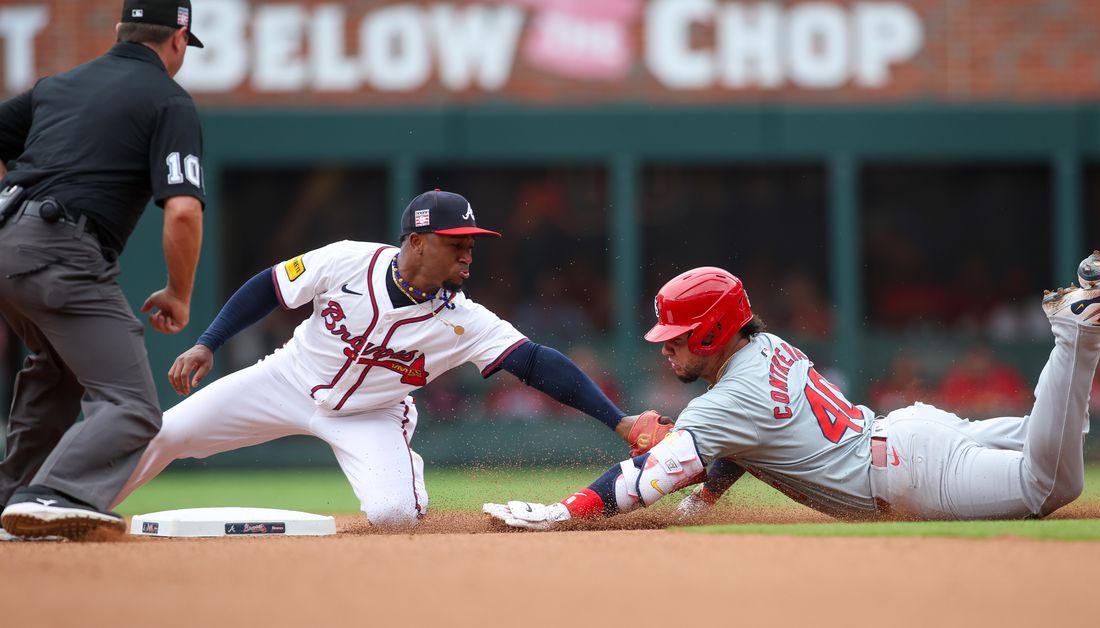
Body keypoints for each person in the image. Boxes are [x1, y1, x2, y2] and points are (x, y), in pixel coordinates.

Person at [484, 234, 1100, 528]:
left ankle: (1079, 326)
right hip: (908, 438)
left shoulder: (728, 398)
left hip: (908, 471)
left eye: (678, 337)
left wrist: (565, 511)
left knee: (1052, 484)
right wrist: (713, 494)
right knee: (1059, 439)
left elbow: (641, 482)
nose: (667, 350)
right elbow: (743, 443)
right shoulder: (767, 348)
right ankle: (1082, 320)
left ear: (716, 331)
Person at [109, 189, 663, 527]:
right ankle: (77, 507)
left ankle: (405, 489)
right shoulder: (347, 261)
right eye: (456, 243)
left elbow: (539, 363)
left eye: (472, 243)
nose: (469, 253)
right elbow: (269, 287)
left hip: (373, 414)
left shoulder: (466, 321)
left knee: (394, 518)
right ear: (417, 243)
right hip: (287, 379)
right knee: (166, 431)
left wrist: (619, 421)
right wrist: (209, 341)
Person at [0, 0, 206, 540]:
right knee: (134, 407)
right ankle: (53, 493)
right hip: (61, 251)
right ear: (178, 40)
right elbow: (183, 210)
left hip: (8, 246)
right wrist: (179, 294)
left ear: (121, 31)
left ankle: (10, 498)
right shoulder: (169, 99)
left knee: (59, 372)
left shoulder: (57, 85)